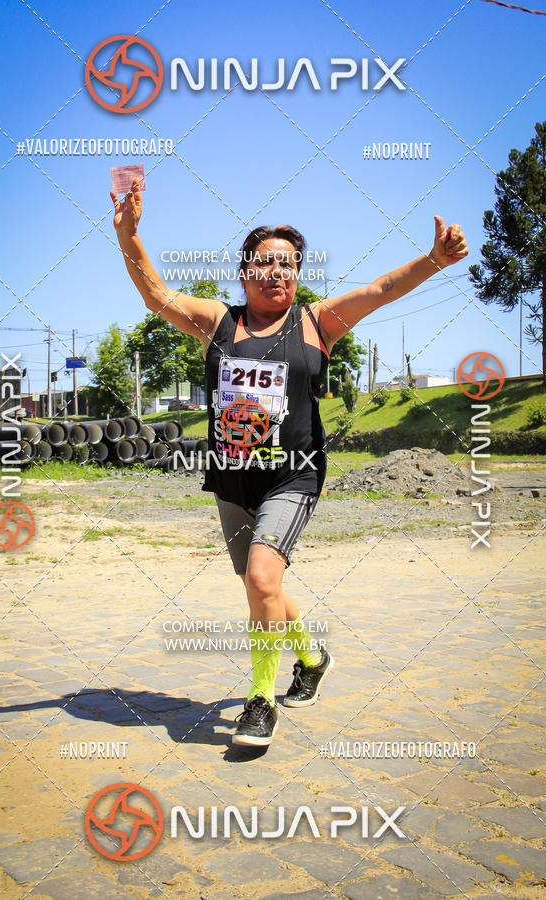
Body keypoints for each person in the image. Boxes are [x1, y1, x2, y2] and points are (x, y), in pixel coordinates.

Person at [112, 178, 468, 747]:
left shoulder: (316, 322)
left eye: (288, 264)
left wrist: (433, 259)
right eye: (264, 263)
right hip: (232, 480)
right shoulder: (216, 324)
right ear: (244, 271)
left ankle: (259, 700)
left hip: (293, 474)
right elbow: (157, 296)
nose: (277, 272)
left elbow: (380, 288)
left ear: (298, 274)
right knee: (263, 588)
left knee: (259, 577)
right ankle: (312, 656)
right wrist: (128, 232)